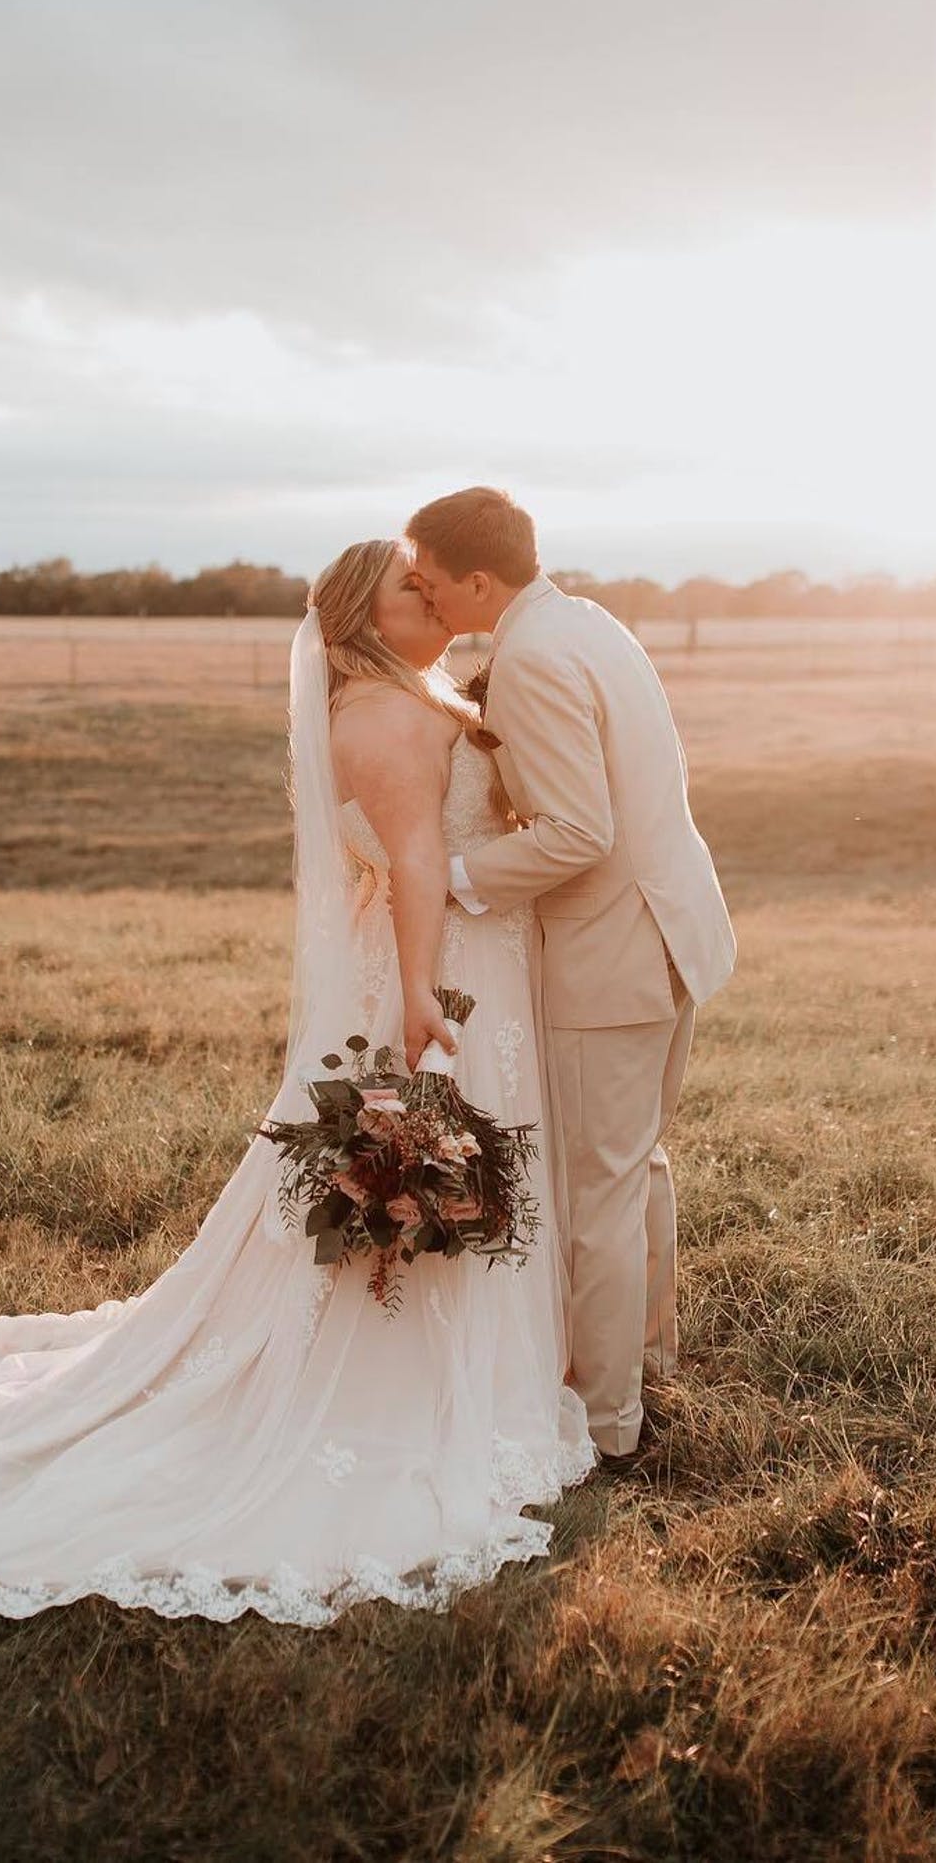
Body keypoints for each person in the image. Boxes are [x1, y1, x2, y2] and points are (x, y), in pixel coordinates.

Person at [0, 537, 596, 1626]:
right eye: (411, 587)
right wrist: (422, 1006)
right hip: (437, 967)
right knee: (425, 1156)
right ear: (365, 615)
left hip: (443, 953)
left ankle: (470, 1366)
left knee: (431, 1171)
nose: (434, 594)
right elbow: (414, 864)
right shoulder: (391, 715)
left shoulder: (397, 696)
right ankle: (408, 1386)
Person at [407, 487, 737, 1466]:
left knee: (595, 1190)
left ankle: (604, 1425)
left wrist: (450, 879)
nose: (426, 600)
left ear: (478, 579)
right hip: (668, 928)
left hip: (611, 952)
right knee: (633, 1166)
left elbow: (579, 832)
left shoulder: (536, 655)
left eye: (431, 584)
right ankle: (647, 1360)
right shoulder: (584, 620)